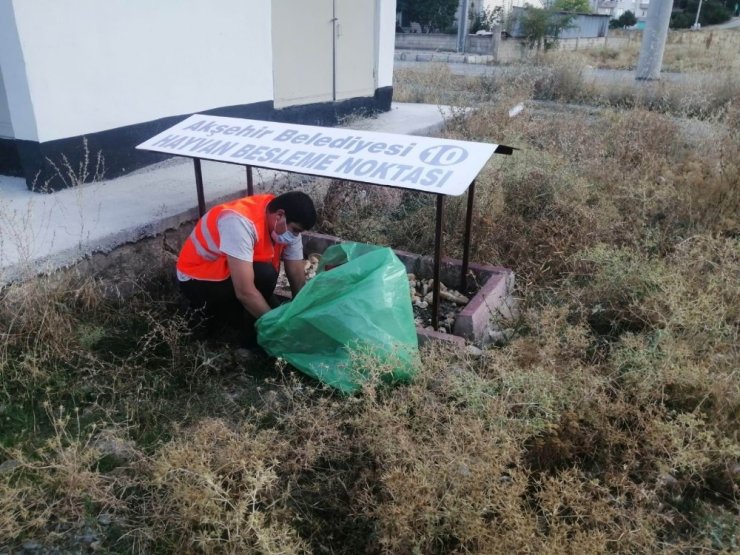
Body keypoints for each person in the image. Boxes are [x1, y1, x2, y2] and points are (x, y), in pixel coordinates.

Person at [176, 191, 317, 349]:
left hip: (231, 273)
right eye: (295, 230)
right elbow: (245, 292)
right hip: (197, 278)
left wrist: (303, 314)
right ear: (279, 215)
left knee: (274, 308)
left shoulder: (284, 222)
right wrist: (278, 330)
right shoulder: (239, 222)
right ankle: (248, 343)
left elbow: (296, 274)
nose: (295, 236)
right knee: (265, 276)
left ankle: (237, 316)